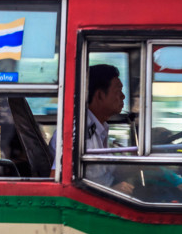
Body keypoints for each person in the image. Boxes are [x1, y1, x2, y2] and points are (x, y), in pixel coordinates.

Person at [50, 63, 132, 192]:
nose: (123, 96)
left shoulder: (99, 128)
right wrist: (111, 191)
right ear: (99, 95)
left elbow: (108, 170)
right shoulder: (78, 132)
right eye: (117, 91)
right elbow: (59, 182)